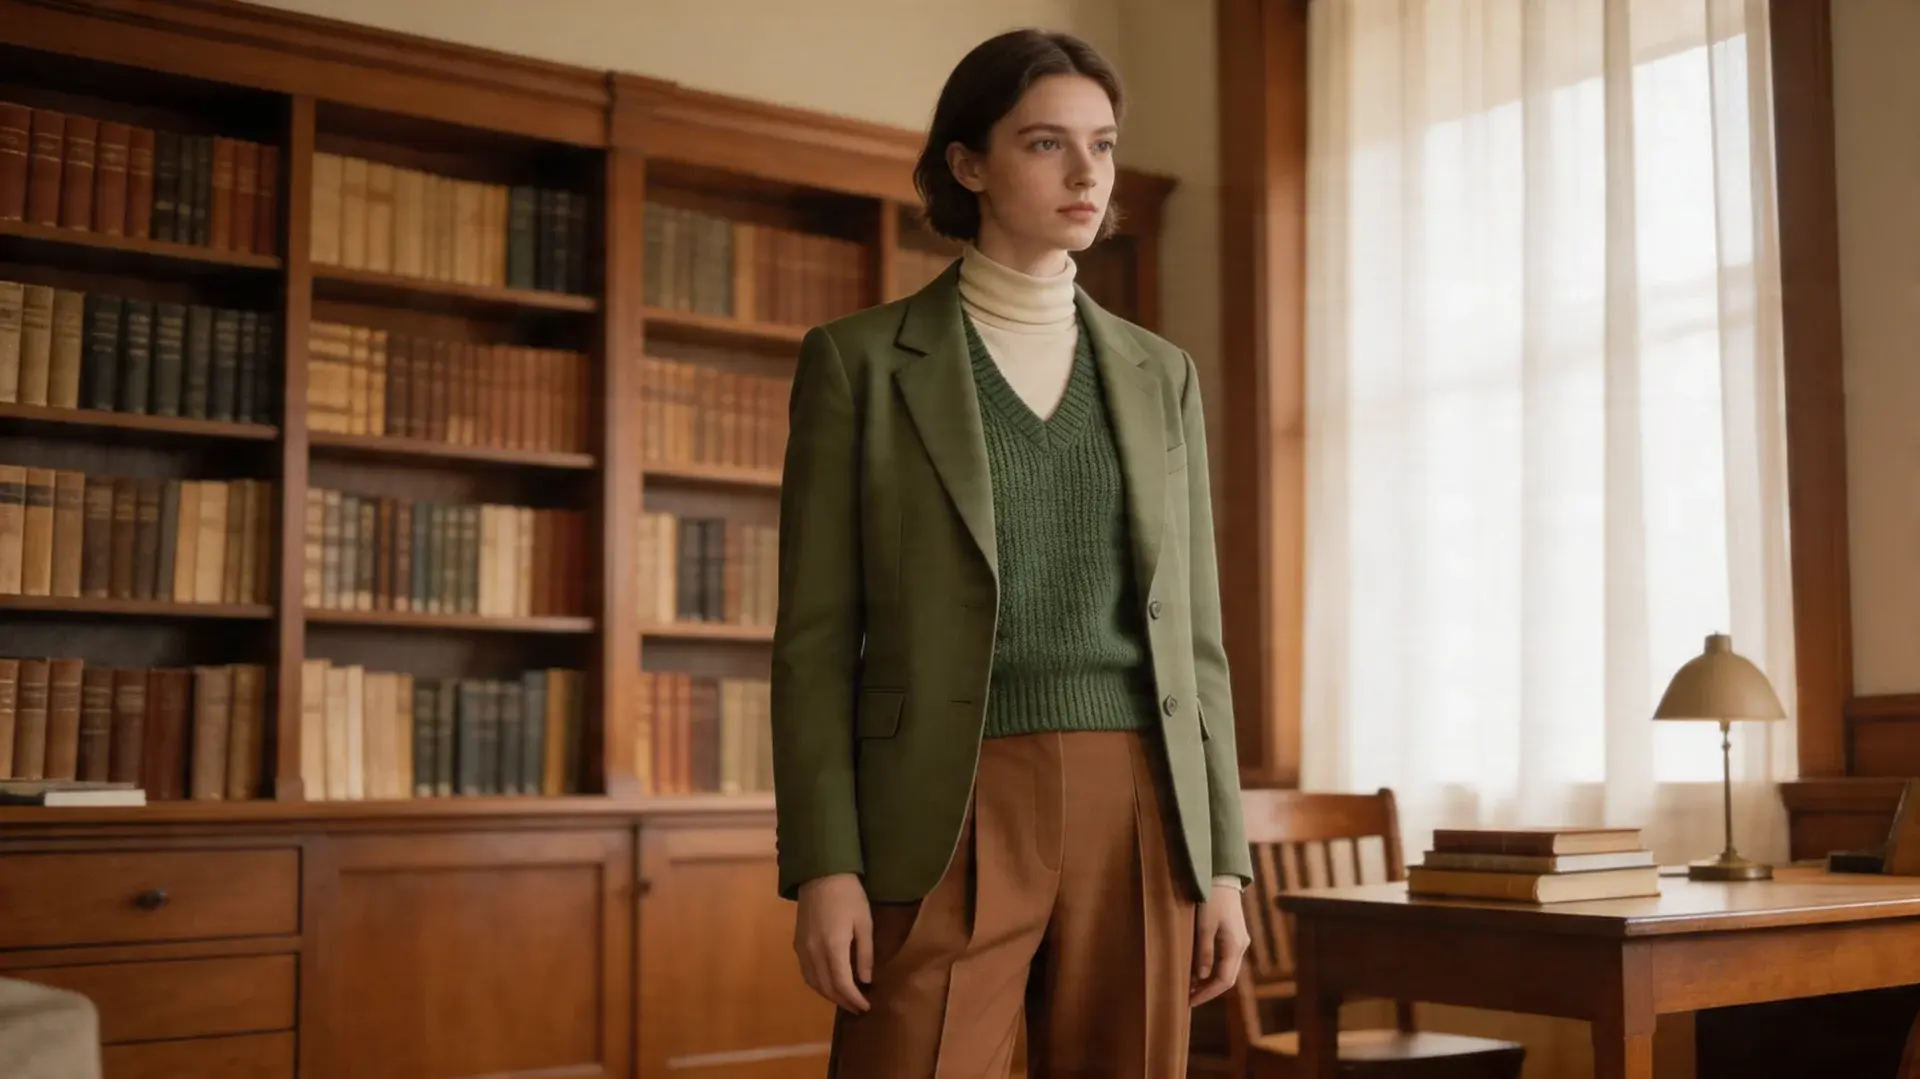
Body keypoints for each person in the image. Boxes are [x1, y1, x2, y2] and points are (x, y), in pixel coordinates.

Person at [771, 27, 1252, 1078]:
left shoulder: (1160, 373)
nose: (1088, 173)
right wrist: (824, 865)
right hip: (937, 801)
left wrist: (1223, 862)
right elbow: (812, 644)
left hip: (1139, 799)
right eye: (1046, 144)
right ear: (968, 163)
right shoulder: (858, 364)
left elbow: (1197, 641)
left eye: (1105, 144)